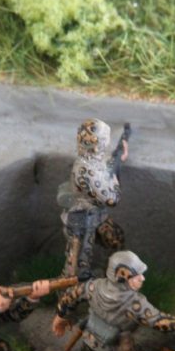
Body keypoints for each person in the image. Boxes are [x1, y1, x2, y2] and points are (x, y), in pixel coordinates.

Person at [58, 119, 127, 280]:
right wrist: (114, 180)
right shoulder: (85, 171)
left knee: (116, 239)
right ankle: (69, 298)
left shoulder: (93, 160)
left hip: (96, 216)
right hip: (81, 223)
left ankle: (110, 277)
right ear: (98, 144)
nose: (108, 143)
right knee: (77, 269)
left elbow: (105, 165)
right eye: (106, 139)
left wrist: (118, 159)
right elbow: (112, 199)